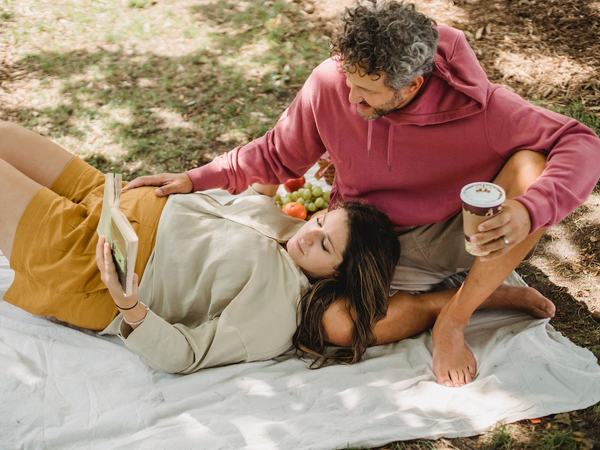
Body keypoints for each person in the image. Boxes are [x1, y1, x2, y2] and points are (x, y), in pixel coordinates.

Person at [124, 1, 600, 386]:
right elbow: (276, 153)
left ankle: (456, 318)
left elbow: (581, 141)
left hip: (447, 234)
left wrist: (529, 207)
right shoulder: (334, 80)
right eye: (348, 83)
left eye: (366, 93)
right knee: (338, 327)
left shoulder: (486, 107)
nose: (350, 101)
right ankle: (483, 298)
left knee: (531, 168)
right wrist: (195, 178)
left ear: (412, 84)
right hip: (360, 235)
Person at [0, 121, 402, 374]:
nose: (310, 233)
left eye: (325, 245)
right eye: (318, 222)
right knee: (6, 134)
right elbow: (265, 178)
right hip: (106, 197)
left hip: (87, 261)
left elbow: (186, 355)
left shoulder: (276, 314)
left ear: (337, 273)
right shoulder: (289, 230)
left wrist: (129, 306)